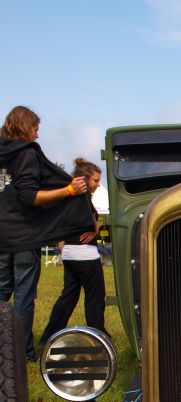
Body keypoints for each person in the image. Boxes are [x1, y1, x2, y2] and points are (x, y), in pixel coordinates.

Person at [0, 106, 94, 362]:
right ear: (25, 127)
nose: (37, 135)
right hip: (22, 236)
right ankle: (20, 352)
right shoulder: (26, 154)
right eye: (35, 129)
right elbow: (30, 197)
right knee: (23, 295)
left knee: (1, 292)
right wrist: (69, 191)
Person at [40, 158, 108, 344]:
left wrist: (63, 249)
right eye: (95, 180)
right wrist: (94, 228)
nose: (98, 184)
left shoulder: (67, 197)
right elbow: (86, 222)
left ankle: (49, 336)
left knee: (68, 297)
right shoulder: (82, 197)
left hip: (70, 253)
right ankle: (99, 337)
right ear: (84, 179)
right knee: (95, 298)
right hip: (85, 254)